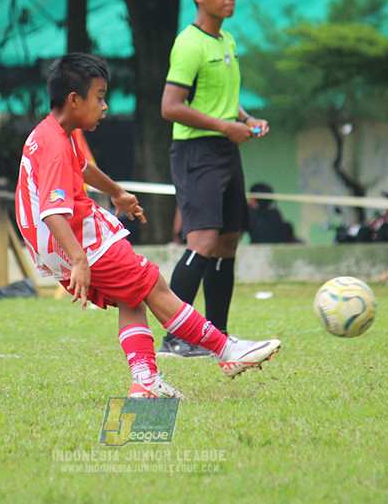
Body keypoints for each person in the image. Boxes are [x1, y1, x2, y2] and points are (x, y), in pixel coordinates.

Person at [15, 52, 280, 398]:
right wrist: (79, 259)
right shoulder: (54, 145)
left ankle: (145, 380)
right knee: (153, 284)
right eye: (99, 97)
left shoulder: (51, 133)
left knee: (132, 297)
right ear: (74, 99)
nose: (105, 106)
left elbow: (82, 168)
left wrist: (118, 194)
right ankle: (227, 350)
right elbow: (53, 210)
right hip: (76, 238)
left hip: (55, 245)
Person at [159, 0, 268, 358]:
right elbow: (171, 106)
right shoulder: (189, 44)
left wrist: (244, 118)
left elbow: (222, 98)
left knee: (227, 242)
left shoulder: (227, 41)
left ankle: (214, 337)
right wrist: (225, 126)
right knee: (202, 240)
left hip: (225, 149)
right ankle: (175, 337)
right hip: (196, 151)